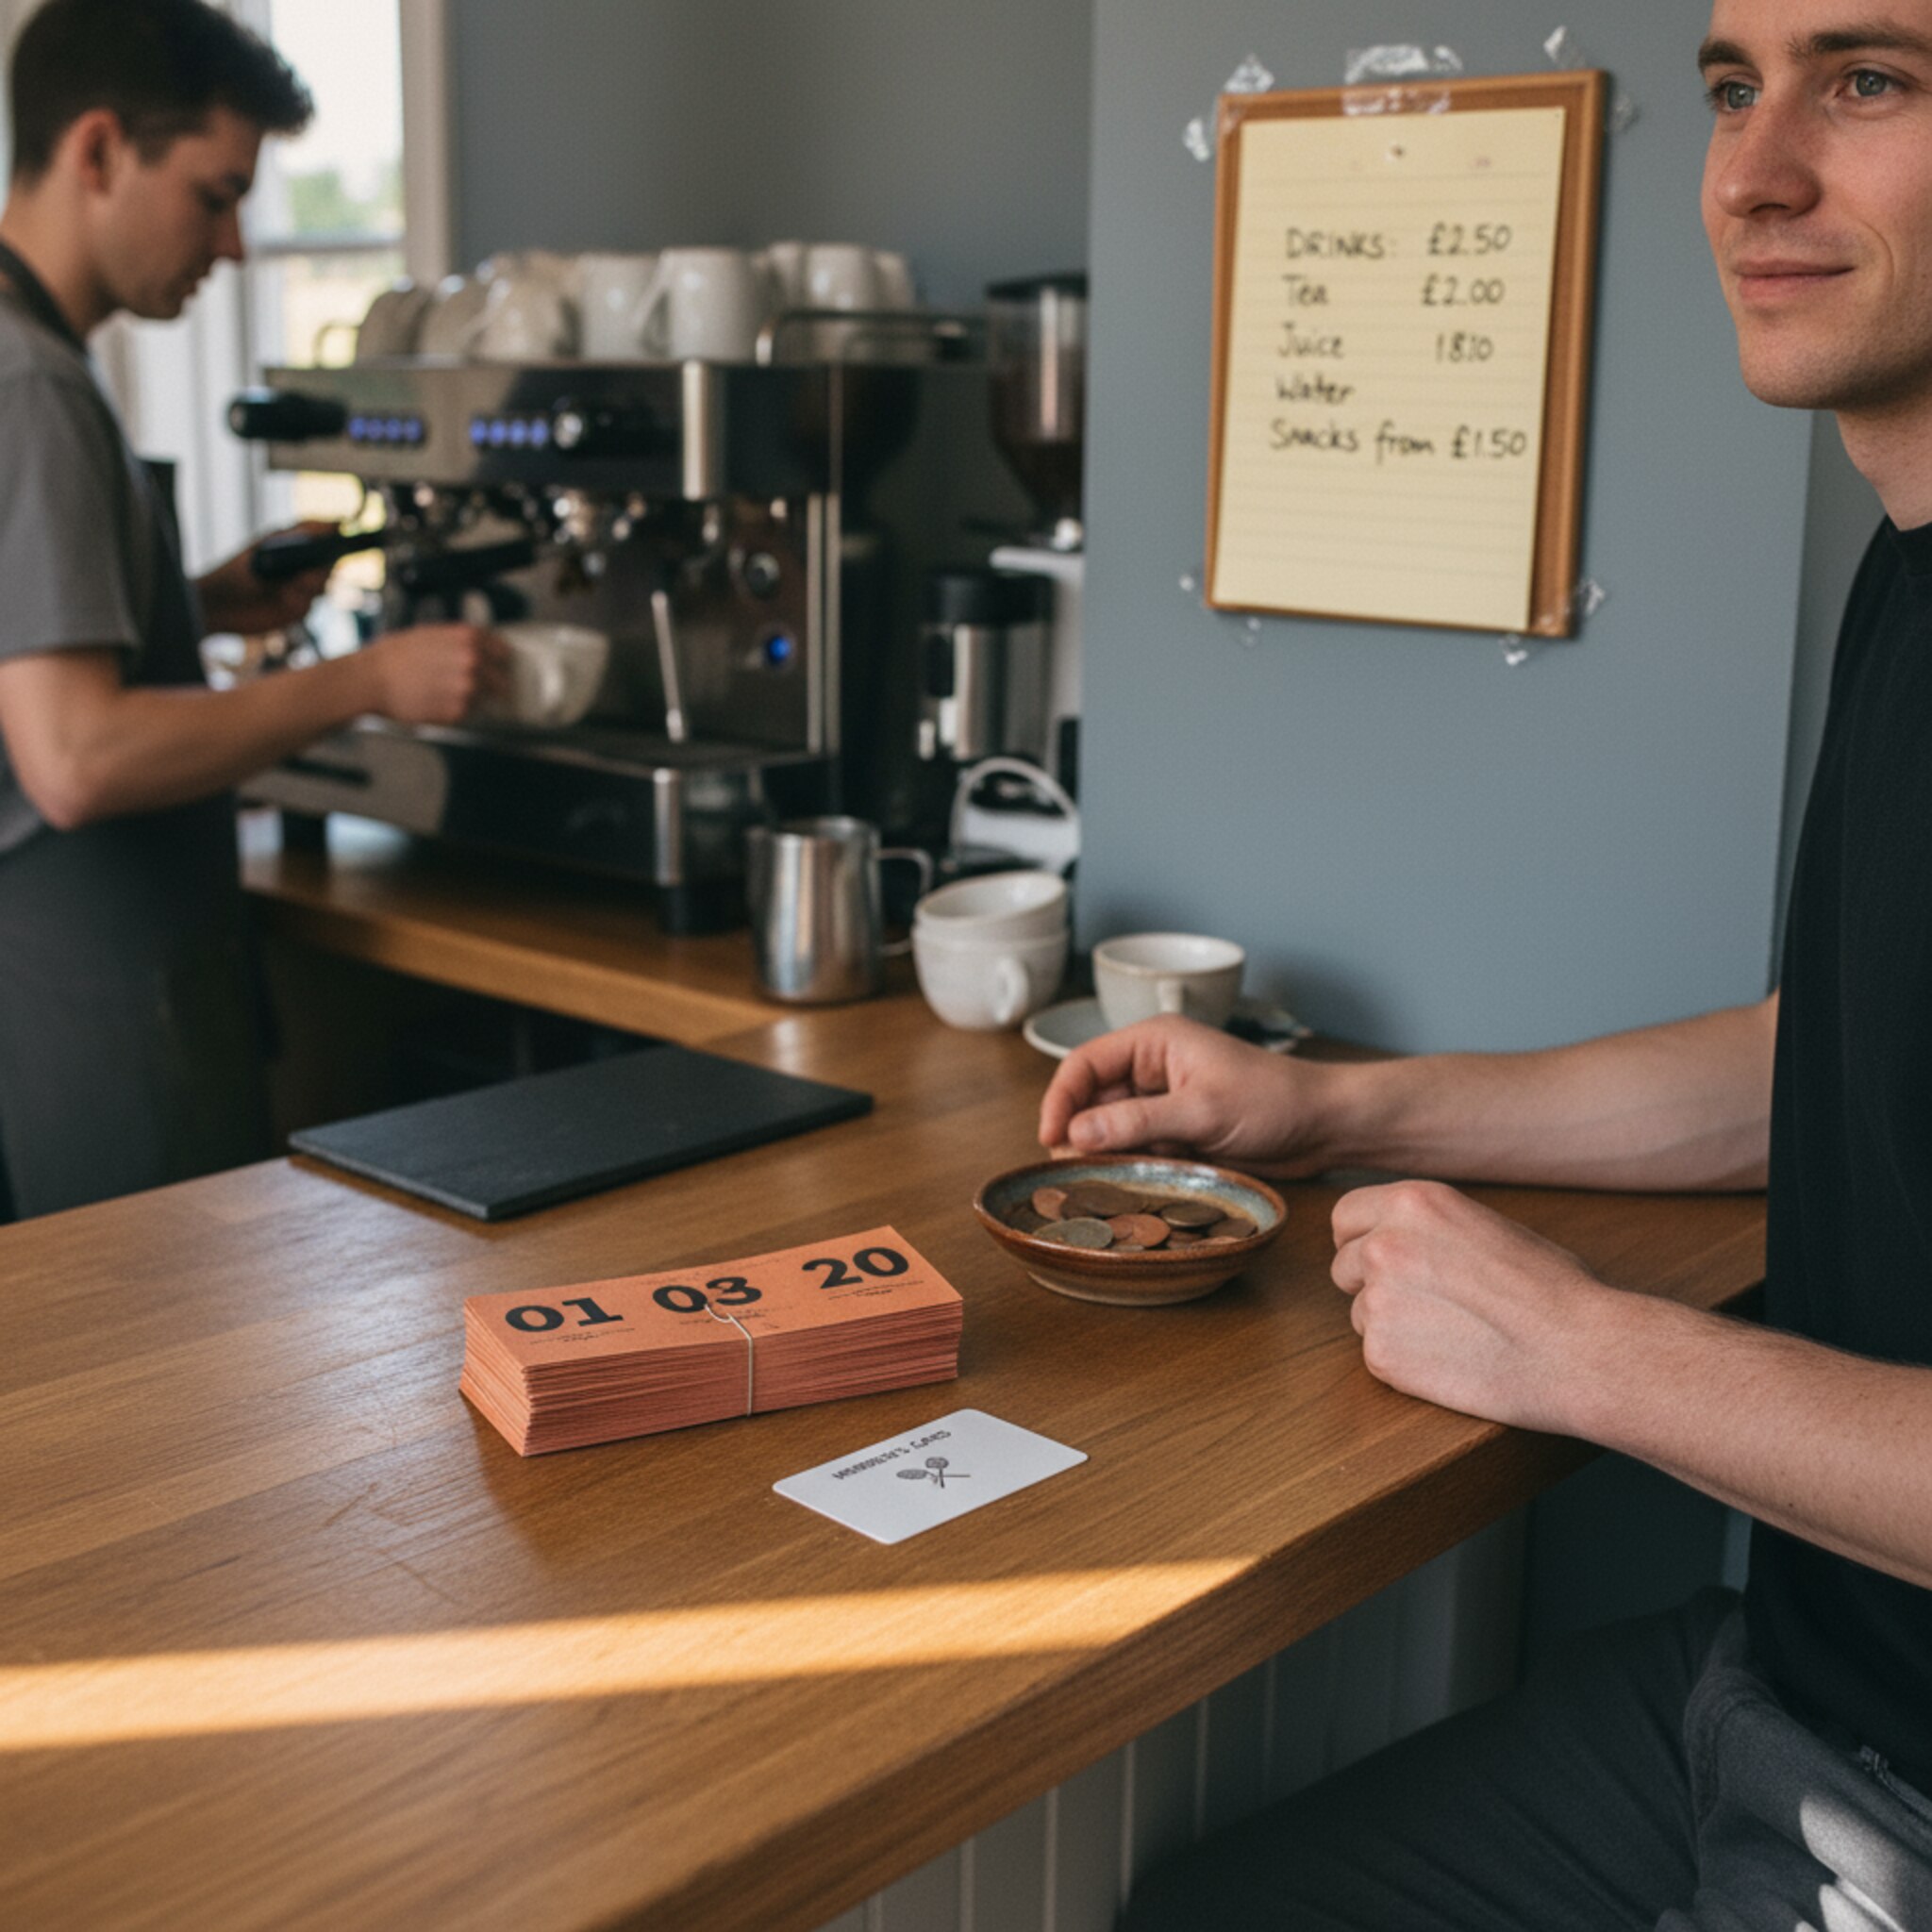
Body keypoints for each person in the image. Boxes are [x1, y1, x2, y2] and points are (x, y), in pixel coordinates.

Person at [1047, 4, 1932, 1924]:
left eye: (1869, 80)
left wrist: (1575, 1348)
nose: (1747, 174)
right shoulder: (1910, 566)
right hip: (1785, 1689)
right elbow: (1820, 1064)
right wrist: (1330, 1110)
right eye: (1733, 87)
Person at [0, 0, 505, 1220]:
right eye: (215, 196)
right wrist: (368, 679)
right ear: (99, 150)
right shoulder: (34, 386)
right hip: (93, 1009)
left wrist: (203, 604)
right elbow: (74, 757)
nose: (232, 247)